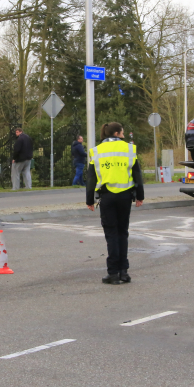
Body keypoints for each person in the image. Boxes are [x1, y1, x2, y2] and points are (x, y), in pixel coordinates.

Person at [86, 122, 144, 285]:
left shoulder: (96, 151)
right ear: (117, 133)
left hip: (107, 196)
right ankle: (124, 272)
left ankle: (113, 273)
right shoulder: (130, 149)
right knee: (122, 232)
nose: (124, 135)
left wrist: (90, 199)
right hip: (125, 196)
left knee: (111, 234)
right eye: (123, 132)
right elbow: (137, 174)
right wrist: (140, 196)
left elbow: (91, 178)